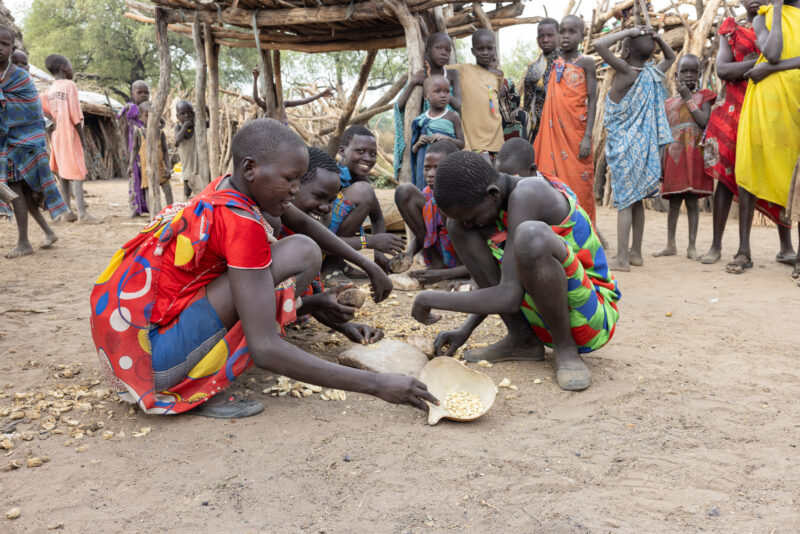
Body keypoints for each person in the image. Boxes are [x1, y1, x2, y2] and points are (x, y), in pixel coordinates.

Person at [90, 118, 438, 418]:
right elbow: (265, 348)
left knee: (301, 248)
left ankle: (196, 360)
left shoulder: (228, 188)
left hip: (128, 345)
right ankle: (195, 385)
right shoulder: (241, 223)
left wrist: (366, 264)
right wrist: (379, 384)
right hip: (152, 368)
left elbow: (298, 219)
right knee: (299, 253)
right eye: (290, 179)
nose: (297, 189)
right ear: (250, 168)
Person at [410, 151, 620, 391]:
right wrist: (465, 328)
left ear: (492, 194)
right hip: (542, 318)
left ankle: (565, 350)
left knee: (531, 236)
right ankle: (522, 339)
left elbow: (508, 296)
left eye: (473, 217)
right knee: (456, 226)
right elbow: (505, 280)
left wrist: (430, 298)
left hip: (592, 317)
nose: (471, 225)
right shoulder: (494, 206)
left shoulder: (528, 193)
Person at [700, 0, 795, 265]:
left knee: (778, 173)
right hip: (733, 114)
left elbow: (774, 58)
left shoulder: (781, 24)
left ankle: (786, 247)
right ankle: (718, 246)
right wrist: (757, 65)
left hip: (772, 107)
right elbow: (722, 69)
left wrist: (759, 66)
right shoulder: (732, 29)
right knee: (728, 176)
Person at [268, 146, 386, 344]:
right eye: (319, 196)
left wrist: (346, 328)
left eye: (331, 200)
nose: (325, 207)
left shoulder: (299, 231)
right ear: (293, 187)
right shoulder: (270, 226)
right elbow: (262, 302)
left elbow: (306, 296)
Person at [595, 26, 676, 272]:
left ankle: (621, 258)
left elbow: (599, 46)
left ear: (626, 50)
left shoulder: (625, 70)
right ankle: (636, 253)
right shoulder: (653, 73)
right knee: (637, 200)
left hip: (624, 149)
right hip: (644, 149)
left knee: (624, 203)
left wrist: (627, 31)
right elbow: (671, 57)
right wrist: (658, 38)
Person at [728, 0, 800, 275]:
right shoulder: (763, 17)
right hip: (763, 105)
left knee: (797, 173)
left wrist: (774, 69)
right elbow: (771, 52)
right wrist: (778, 9)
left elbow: (771, 64)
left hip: (795, 105)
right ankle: (744, 250)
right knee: (750, 166)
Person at [0, 27, 67, 258]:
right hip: (5, 144)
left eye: (5, 44)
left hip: (24, 143)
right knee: (24, 194)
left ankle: (23, 242)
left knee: (17, 190)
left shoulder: (20, 77)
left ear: (12, 48)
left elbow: (32, 112)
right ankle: (48, 232)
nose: (1, 48)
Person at [534, 15, 598, 223]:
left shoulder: (587, 63)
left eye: (572, 32)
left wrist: (588, 135)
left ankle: (585, 231)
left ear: (582, 36)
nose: (566, 36)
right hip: (554, 136)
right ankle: (558, 228)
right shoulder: (555, 64)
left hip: (577, 134)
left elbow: (593, 100)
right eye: (563, 31)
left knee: (581, 184)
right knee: (553, 184)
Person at [653, 54, 716, 260]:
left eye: (693, 71)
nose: (689, 75)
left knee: (691, 201)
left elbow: (703, 121)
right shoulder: (668, 102)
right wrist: (661, 163)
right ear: (677, 74)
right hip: (674, 157)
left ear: (699, 74)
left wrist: (689, 99)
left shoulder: (704, 96)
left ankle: (691, 246)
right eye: (684, 71)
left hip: (694, 156)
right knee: (673, 201)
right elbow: (664, 134)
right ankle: (670, 244)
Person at [323, 125, 404, 279]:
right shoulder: (330, 178)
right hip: (317, 245)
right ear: (342, 151)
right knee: (363, 191)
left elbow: (378, 218)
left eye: (373, 154)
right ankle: (328, 268)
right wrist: (371, 241)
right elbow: (319, 235)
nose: (367, 158)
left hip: (330, 243)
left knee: (364, 191)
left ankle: (337, 262)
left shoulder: (361, 181)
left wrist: (379, 255)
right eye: (360, 151)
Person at [394, 140, 469, 285]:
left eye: (437, 168)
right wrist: (409, 254)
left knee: (444, 202)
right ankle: (436, 263)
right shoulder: (428, 193)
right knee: (404, 191)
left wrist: (441, 275)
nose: (430, 174)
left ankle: (453, 272)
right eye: (427, 168)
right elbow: (427, 229)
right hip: (440, 254)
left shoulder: (467, 195)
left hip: (467, 261)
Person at [41, 54, 101, 224]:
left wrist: (55, 118)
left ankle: (66, 211)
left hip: (57, 133)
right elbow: (75, 115)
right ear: (63, 67)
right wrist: (81, 139)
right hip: (70, 133)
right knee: (77, 173)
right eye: (70, 64)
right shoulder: (69, 85)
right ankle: (82, 214)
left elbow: (42, 107)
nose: (72, 68)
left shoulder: (50, 90)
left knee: (63, 175)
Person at [394, 32, 462, 179]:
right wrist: (413, 82)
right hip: (427, 133)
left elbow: (458, 104)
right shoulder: (421, 73)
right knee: (426, 170)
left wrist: (442, 93)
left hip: (447, 131)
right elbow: (399, 105)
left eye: (447, 50)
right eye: (439, 48)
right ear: (428, 50)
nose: (444, 53)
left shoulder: (452, 74)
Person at [449, 29, 504, 155]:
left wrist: (496, 71)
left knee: (497, 173)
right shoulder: (462, 70)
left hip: (497, 140)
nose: (485, 52)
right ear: (473, 51)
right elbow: (439, 71)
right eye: (480, 49)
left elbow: (498, 96)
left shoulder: (497, 75)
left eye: (489, 48)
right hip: (475, 142)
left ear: (495, 49)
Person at [409, 75, 465, 189]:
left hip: (446, 166)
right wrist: (418, 143)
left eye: (447, 91)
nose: (443, 95)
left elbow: (462, 144)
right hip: (426, 170)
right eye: (437, 91)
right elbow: (413, 150)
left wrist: (446, 138)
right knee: (425, 194)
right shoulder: (420, 120)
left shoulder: (453, 116)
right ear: (426, 96)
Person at [521, 18, 562, 143]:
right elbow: (527, 98)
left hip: (555, 125)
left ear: (559, 36)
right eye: (541, 36)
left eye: (550, 35)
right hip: (533, 128)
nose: (545, 40)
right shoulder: (534, 66)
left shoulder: (563, 63)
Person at [129, 101, 173, 209]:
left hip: (160, 168)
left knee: (167, 189)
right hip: (147, 170)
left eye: (154, 116)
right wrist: (130, 165)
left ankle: (171, 211)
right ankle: (154, 215)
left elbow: (165, 151)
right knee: (149, 192)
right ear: (140, 117)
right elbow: (134, 149)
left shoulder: (160, 133)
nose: (151, 119)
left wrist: (168, 167)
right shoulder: (138, 133)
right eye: (147, 116)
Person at [252, 67, 332, 125]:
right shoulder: (266, 105)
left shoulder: (282, 103)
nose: (264, 95)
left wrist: (320, 95)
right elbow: (255, 98)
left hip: (283, 133)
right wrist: (255, 79)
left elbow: (303, 101)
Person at [117, 80, 150, 216]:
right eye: (139, 92)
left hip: (148, 151)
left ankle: (149, 205)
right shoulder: (129, 109)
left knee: (148, 178)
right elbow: (124, 131)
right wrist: (126, 151)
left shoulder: (150, 108)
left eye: (146, 92)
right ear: (132, 94)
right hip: (133, 151)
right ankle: (135, 208)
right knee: (134, 179)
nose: (143, 95)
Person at [174, 99, 200, 200]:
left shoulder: (197, 126)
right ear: (177, 116)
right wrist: (184, 126)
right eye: (183, 113)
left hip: (198, 163)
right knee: (187, 184)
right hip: (187, 163)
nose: (187, 115)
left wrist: (207, 111)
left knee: (201, 185)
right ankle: (185, 200)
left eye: (190, 112)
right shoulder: (178, 128)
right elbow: (177, 141)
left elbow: (209, 124)